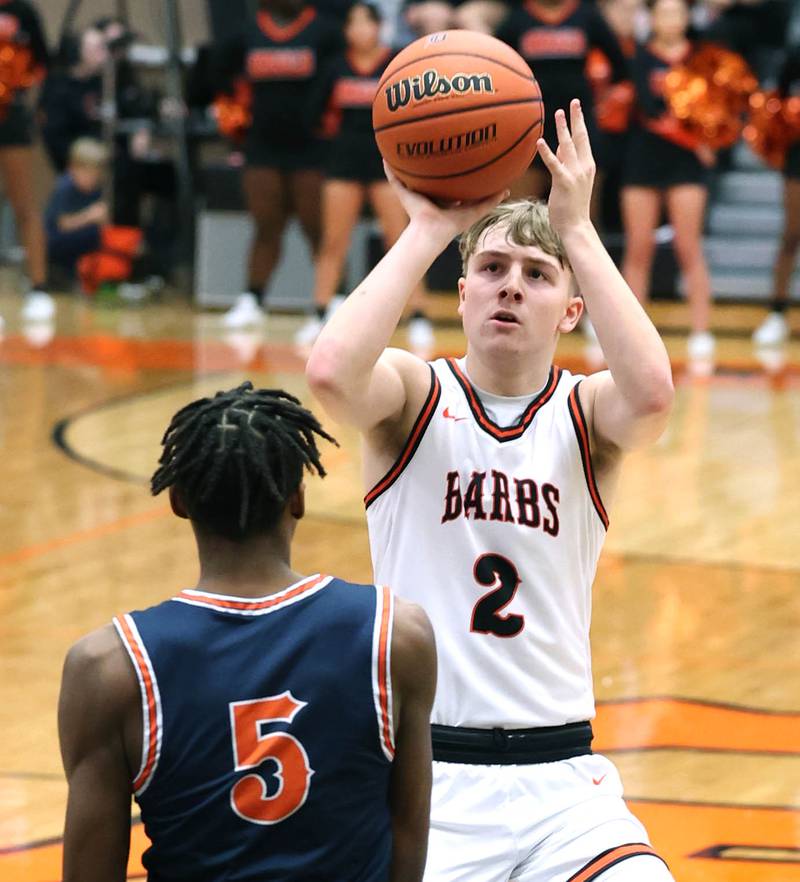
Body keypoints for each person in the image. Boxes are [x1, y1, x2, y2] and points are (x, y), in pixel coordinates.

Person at [307, 100, 675, 881]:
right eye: (493, 269)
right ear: (464, 292)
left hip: (564, 785)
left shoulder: (584, 413)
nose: (511, 286)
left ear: (572, 311)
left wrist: (576, 230)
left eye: (536, 276)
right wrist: (429, 230)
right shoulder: (414, 395)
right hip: (428, 780)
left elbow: (651, 398)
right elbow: (332, 375)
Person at [58, 383, 437, 882]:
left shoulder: (108, 667)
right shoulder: (396, 636)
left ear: (177, 500)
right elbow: (407, 831)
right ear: (298, 498)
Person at [295, 1, 433, 350]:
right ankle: (319, 312)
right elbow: (312, 114)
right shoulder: (335, 67)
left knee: (401, 241)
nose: (359, 30)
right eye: (352, 24)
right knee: (333, 241)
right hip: (343, 162)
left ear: (378, 28)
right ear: (346, 32)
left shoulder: (396, 64)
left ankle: (418, 316)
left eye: (365, 23)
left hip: (387, 163)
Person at [214, 0, 343, 329]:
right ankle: (253, 298)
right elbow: (220, 81)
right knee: (265, 225)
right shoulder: (248, 33)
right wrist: (235, 126)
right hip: (262, 145)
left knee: (317, 228)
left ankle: (333, 299)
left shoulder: (326, 32)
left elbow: (338, 82)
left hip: (310, 146)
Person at [620, 0, 716, 361]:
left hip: (685, 166)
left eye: (677, 13)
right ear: (654, 19)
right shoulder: (640, 58)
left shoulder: (703, 60)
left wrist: (712, 136)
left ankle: (701, 331)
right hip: (645, 157)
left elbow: (715, 109)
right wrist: (695, 140)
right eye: (664, 13)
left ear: (686, 19)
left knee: (688, 246)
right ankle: (629, 333)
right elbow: (649, 110)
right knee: (638, 247)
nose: (671, 20)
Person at [495, 0, 630, 203]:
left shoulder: (587, 15)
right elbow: (495, 65)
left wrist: (603, 100)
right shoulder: (517, 18)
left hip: (576, 123)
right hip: (531, 125)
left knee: (584, 210)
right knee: (520, 210)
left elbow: (620, 66)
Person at [0, 0, 52, 326]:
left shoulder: (23, 12)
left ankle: (39, 288)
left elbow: (43, 63)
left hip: (13, 116)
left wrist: (31, 103)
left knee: (24, 205)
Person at [753, 45, 800, 346]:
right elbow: (776, 102)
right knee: (792, 234)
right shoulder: (795, 55)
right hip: (798, 159)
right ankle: (777, 313)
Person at [45, 138, 108, 283]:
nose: (93, 179)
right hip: (56, 242)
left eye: (97, 175)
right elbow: (63, 225)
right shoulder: (65, 187)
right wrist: (89, 216)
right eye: (89, 174)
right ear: (73, 168)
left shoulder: (97, 190)